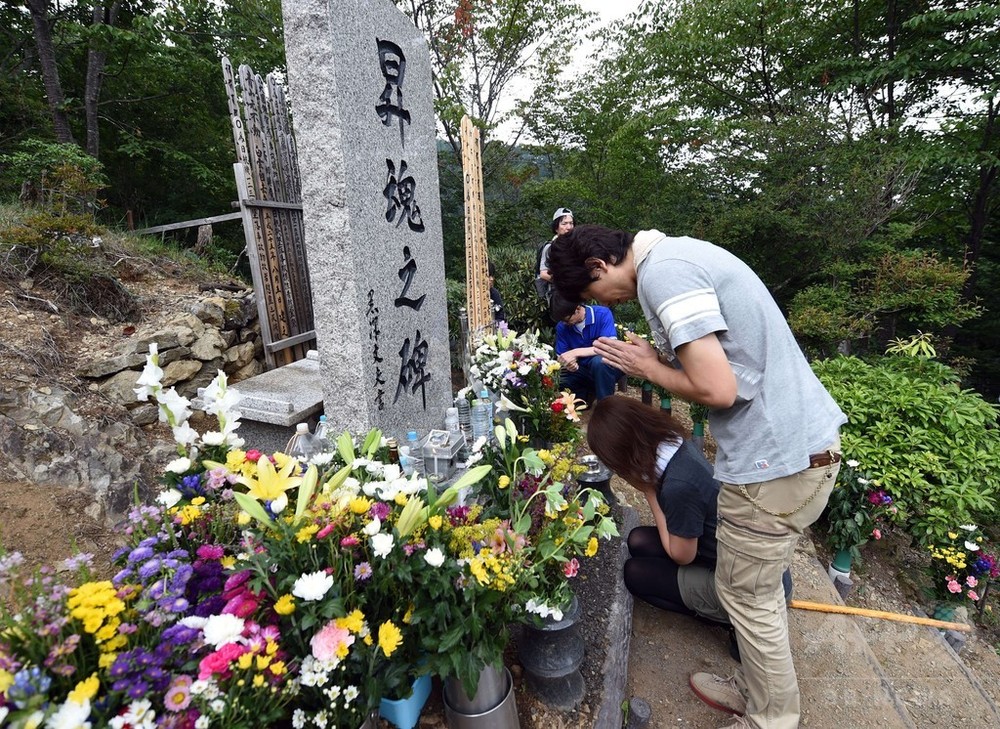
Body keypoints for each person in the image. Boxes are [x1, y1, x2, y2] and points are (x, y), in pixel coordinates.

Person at [547, 225, 846, 729]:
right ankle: (756, 690)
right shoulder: (679, 258)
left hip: (775, 463)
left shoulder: (665, 275)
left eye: (589, 291)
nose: (601, 301)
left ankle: (770, 719)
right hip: (793, 453)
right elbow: (725, 366)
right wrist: (659, 360)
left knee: (750, 601)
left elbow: (717, 388)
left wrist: (648, 369)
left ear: (599, 268)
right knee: (743, 589)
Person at [550, 294, 623, 402]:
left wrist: (576, 352)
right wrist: (570, 364)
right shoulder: (562, 327)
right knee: (560, 377)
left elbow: (610, 347)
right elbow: (562, 356)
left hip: (608, 368)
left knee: (599, 362)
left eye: (567, 319)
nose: (565, 323)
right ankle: (586, 395)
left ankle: (605, 406)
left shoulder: (602, 314)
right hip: (583, 370)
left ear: (578, 309)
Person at [534, 207, 574, 303]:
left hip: (575, 294)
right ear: (556, 227)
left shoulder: (575, 246)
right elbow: (543, 274)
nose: (568, 227)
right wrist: (564, 283)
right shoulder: (550, 248)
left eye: (571, 223)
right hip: (557, 295)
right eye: (564, 224)